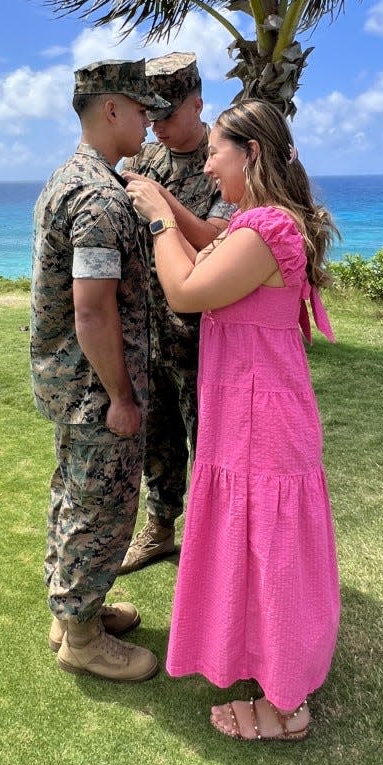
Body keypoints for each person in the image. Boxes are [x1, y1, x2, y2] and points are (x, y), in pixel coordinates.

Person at [127, 99, 339, 740]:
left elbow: (187, 291)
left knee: (269, 547)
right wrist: (172, 206)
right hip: (251, 403)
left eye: (217, 151)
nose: (209, 163)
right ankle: (268, 661)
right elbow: (210, 239)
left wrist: (161, 221)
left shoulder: (266, 229)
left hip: (259, 410)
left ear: (249, 153)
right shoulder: (260, 222)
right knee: (260, 544)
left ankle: (287, 709)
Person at [30, 58, 169, 682]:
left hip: (69, 381)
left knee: (72, 493)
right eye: (139, 108)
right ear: (110, 109)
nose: (148, 118)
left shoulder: (69, 178)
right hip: (95, 386)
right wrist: (121, 395)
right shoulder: (99, 198)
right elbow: (92, 309)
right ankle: (83, 639)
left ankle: (72, 610)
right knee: (102, 506)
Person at [118, 52, 236, 574]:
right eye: (152, 116)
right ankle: (161, 527)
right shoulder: (142, 161)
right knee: (157, 438)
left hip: (206, 336)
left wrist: (163, 203)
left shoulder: (227, 158)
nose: (158, 127)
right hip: (148, 331)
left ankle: (212, 542)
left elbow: (221, 238)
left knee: (210, 440)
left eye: (168, 115)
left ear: (198, 104)